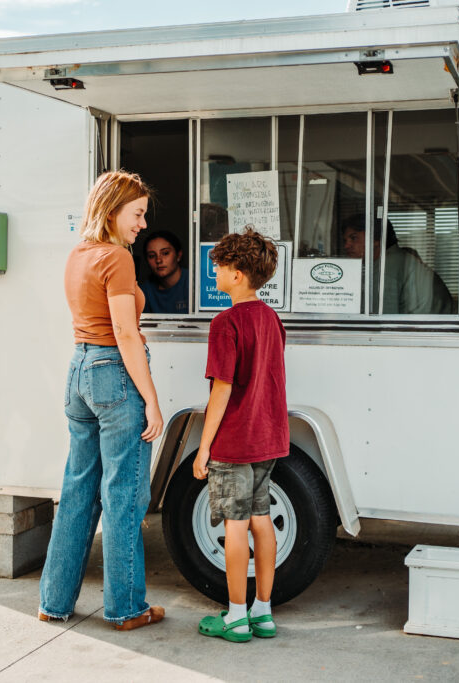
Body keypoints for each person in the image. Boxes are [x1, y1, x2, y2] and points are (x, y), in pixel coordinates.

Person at [38, 170, 165, 631]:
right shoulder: (116, 258)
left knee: (77, 492)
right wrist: (151, 399)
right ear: (112, 211)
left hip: (79, 372)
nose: (142, 224)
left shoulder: (79, 254)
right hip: (113, 374)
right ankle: (126, 608)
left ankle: (53, 601)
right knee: (124, 496)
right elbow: (125, 334)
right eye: (137, 214)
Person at [192, 228, 288, 643]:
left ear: (236, 273)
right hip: (268, 438)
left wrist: (203, 447)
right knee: (261, 520)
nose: (214, 272)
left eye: (218, 266)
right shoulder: (271, 318)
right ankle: (262, 612)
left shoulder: (225, 322)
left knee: (234, 524)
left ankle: (235, 616)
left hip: (234, 441)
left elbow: (223, 388)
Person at [341, 214, 455, 315]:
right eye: (345, 241)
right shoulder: (397, 259)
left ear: (375, 239)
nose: (347, 246)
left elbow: (381, 322)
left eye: (354, 238)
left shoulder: (388, 267)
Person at [141, 230, 188, 314]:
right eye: (152, 256)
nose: (158, 260)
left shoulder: (194, 283)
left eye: (165, 253)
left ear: (178, 255)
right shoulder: (144, 292)